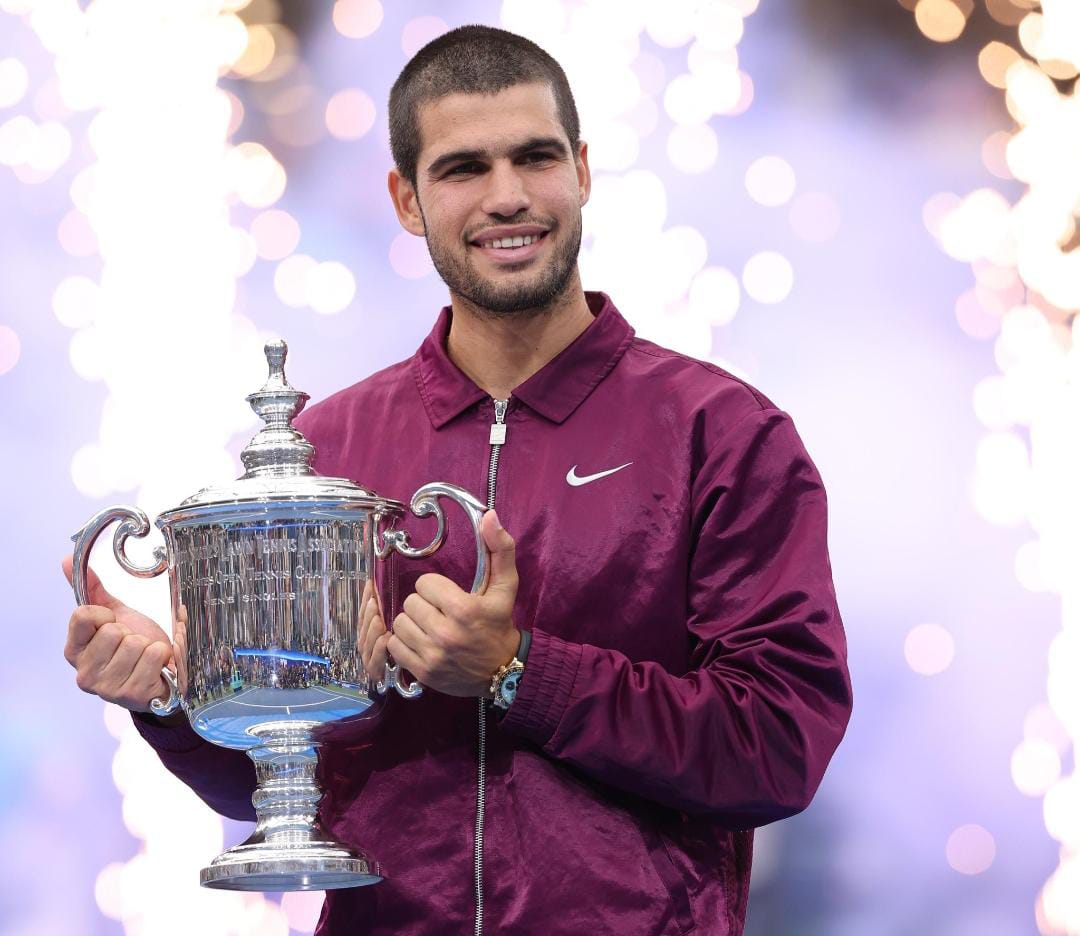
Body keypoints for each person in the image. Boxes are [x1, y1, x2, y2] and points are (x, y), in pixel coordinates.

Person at [62, 24, 852, 936]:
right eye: (464, 168)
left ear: (582, 171)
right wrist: (167, 697)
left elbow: (777, 748)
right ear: (407, 199)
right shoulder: (327, 451)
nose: (507, 197)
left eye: (535, 158)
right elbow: (279, 784)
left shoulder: (721, 433)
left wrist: (519, 670)